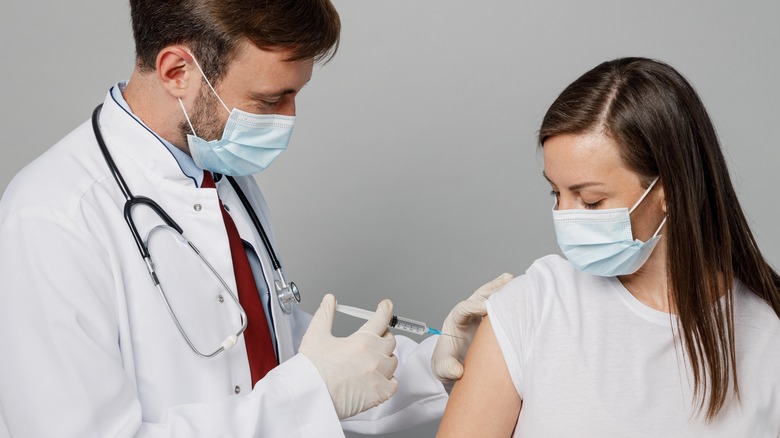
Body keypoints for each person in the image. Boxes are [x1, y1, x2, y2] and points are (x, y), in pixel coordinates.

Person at [0, 1, 512, 436]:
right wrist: (311, 393)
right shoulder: (51, 217)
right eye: (270, 99)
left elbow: (271, 353)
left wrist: (444, 363)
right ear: (177, 71)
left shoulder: (221, 171)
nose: (288, 118)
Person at [437, 57, 780, 437]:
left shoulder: (768, 334)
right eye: (556, 192)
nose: (564, 217)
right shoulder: (533, 306)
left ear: (670, 192)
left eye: (590, 201)